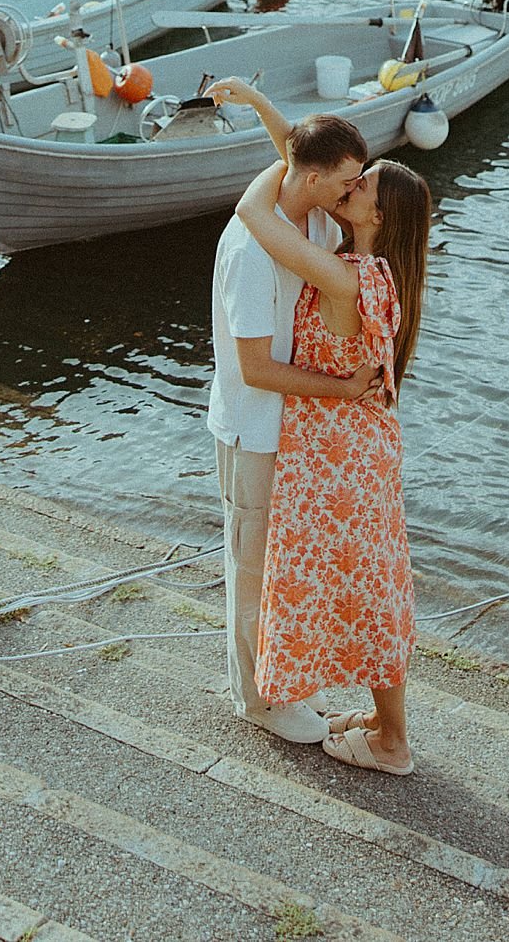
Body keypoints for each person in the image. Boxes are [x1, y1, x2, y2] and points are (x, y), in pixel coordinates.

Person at [236, 150, 431, 777]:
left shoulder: (349, 279)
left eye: (363, 183)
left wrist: (290, 158)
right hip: (350, 452)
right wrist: (283, 132)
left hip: (338, 457)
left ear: (380, 213)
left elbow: (250, 212)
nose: (351, 185)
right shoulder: (376, 271)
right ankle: (380, 721)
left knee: (369, 593)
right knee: (367, 585)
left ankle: (393, 741)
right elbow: (305, 158)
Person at [205, 94, 373, 743]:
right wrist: (341, 389)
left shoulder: (313, 225)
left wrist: (255, 102)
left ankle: (283, 684)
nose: (355, 188)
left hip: (291, 432)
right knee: (252, 571)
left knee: (284, 569)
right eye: (347, 179)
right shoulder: (251, 250)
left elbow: (293, 148)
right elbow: (255, 369)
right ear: (311, 179)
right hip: (254, 429)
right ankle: (258, 700)